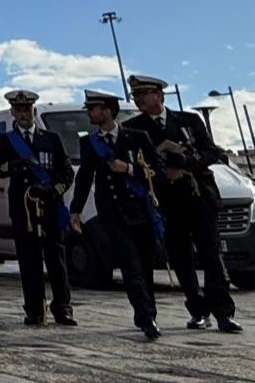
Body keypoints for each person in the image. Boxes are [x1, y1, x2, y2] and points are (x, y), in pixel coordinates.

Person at [123, 74, 241, 333]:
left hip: (198, 196)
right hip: (167, 201)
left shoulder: (189, 120)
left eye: (143, 94)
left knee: (211, 255)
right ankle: (198, 310)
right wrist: (162, 171)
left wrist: (186, 163)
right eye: (136, 95)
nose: (139, 99)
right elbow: (136, 163)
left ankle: (223, 312)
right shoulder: (133, 128)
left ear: (159, 95)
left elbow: (212, 152)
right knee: (181, 259)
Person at [71, 89, 165, 340]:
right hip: (112, 213)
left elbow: (157, 169)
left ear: (108, 111)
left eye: (93, 109)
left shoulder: (136, 137)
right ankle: (146, 317)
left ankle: (149, 312)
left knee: (144, 265)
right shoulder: (89, 143)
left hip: (139, 211)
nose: (90, 113)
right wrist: (75, 210)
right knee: (129, 265)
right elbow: (84, 178)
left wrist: (130, 169)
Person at [0, 89, 75, 326]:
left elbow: (66, 171)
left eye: (27, 109)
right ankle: (34, 309)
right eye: (19, 110)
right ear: (13, 112)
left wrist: (54, 190)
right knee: (29, 262)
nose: (24, 114)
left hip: (49, 206)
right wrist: (16, 165)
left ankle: (63, 308)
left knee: (56, 261)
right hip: (24, 209)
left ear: (34, 111)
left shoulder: (51, 138)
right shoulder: (6, 141)